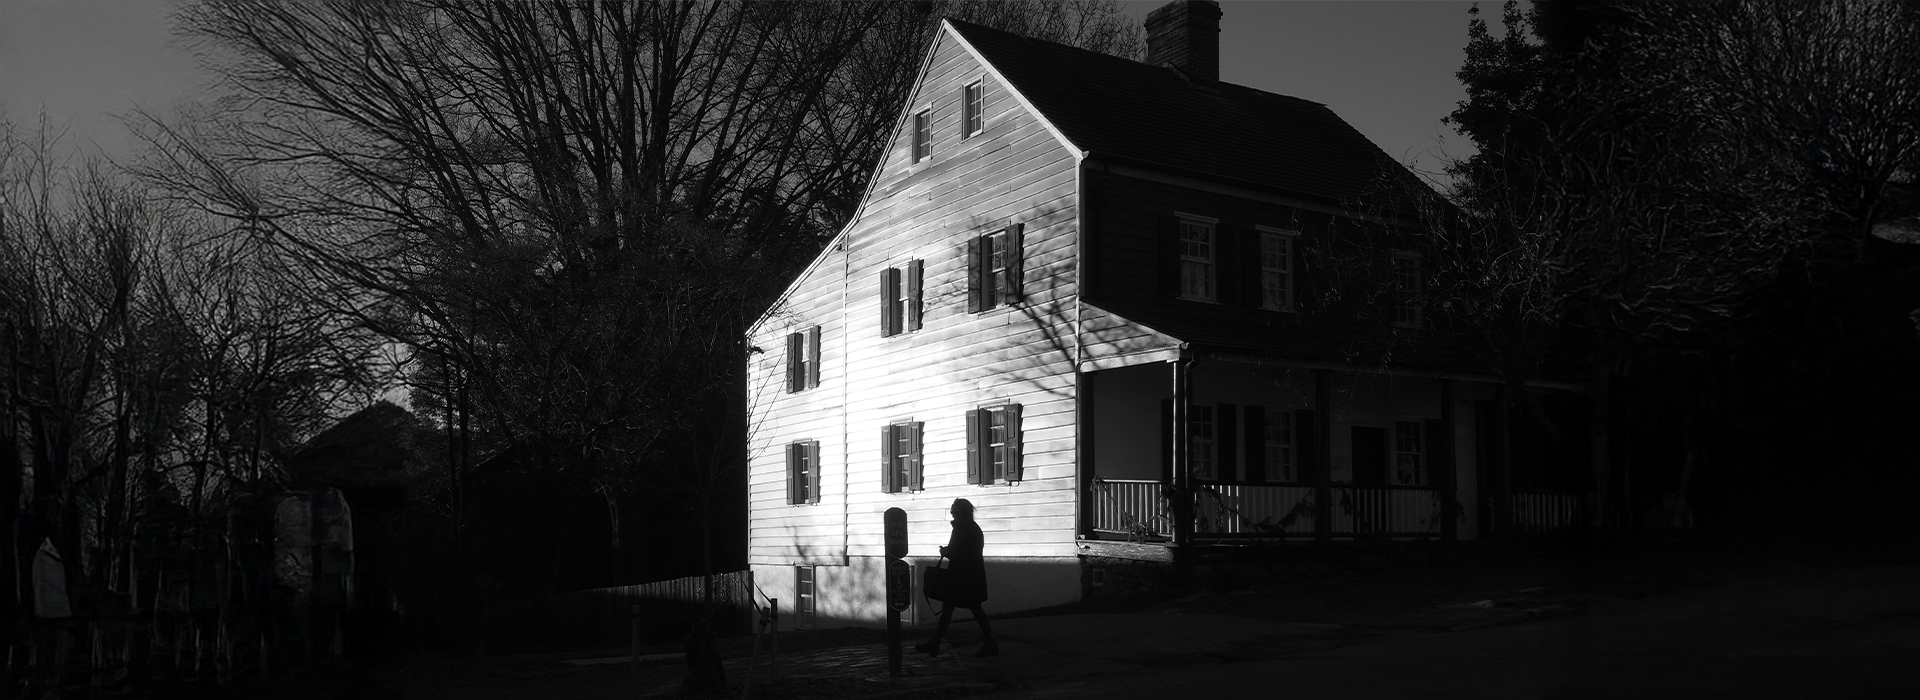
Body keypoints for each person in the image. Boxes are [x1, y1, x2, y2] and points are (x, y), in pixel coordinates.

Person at [916, 498, 998, 658]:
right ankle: (936, 642)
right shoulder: (969, 528)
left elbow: (962, 553)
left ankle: (989, 643)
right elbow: (961, 550)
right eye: (952, 512)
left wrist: (947, 553)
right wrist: (949, 551)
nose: (953, 515)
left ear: (963, 513)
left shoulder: (965, 530)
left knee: (973, 608)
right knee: (952, 608)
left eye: (955, 512)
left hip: (966, 577)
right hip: (964, 576)